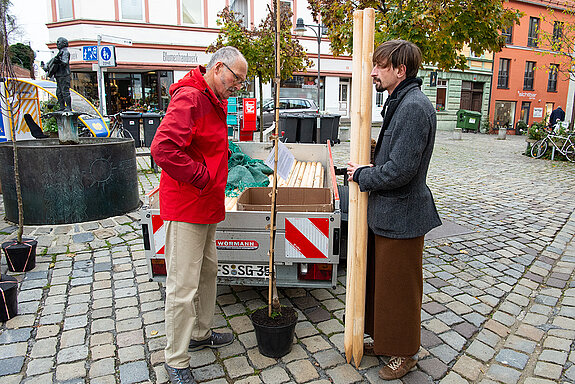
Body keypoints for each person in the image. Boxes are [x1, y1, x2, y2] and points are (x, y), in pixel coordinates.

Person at [150, 46, 248, 384]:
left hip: (205, 202)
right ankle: (175, 359)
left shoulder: (212, 98)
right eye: (237, 79)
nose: (239, 87)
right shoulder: (190, 98)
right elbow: (162, 148)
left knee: (208, 271)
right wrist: (201, 176)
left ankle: (202, 333)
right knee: (182, 284)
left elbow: (199, 146)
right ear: (219, 68)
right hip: (189, 204)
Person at [347, 40, 441, 380]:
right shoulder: (400, 101)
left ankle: (404, 353)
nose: (373, 71)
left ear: (399, 70)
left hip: (403, 216)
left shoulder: (414, 106)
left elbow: (402, 170)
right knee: (382, 285)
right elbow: (397, 152)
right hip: (387, 214)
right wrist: (374, 149)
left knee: (400, 290)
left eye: (380, 66)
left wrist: (362, 175)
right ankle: (385, 340)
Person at [41, 37, 72, 111]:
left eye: (59, 42)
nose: (57, 44)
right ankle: (62, 107)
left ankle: (68, 107)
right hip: (59, 75)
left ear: (64, 44)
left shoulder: (65, 52)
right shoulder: (60, 53)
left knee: (65, 92)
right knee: (59, 92)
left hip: (64, 75)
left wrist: (58, 61)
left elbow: (65, 62)